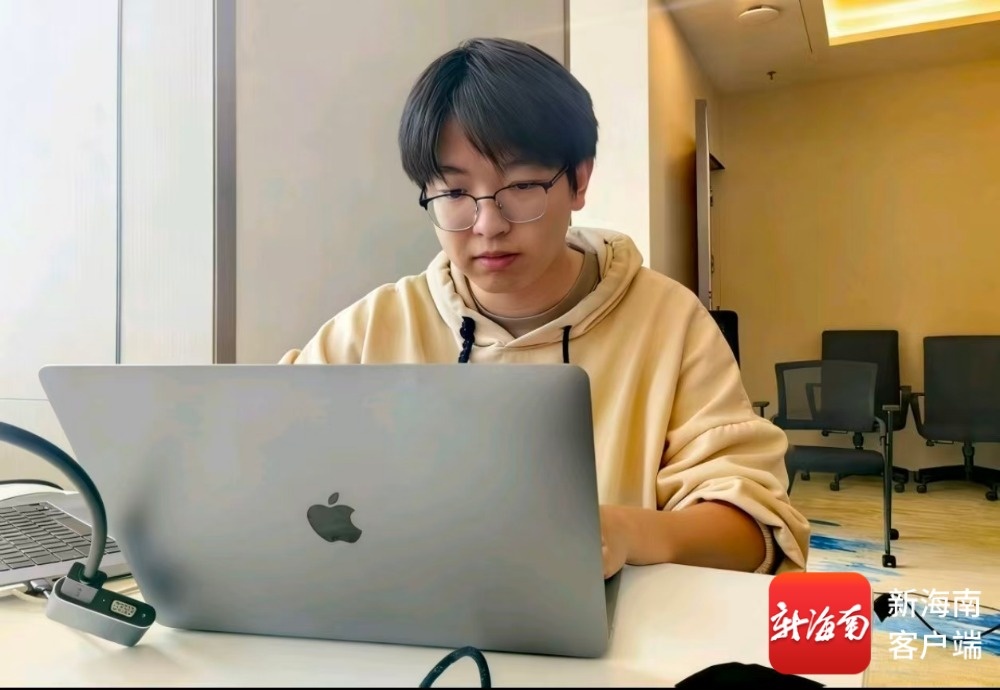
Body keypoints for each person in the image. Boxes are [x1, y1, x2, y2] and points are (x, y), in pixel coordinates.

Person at [281, 37, 810, 577]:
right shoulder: (376, 326)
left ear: (579, 180)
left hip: (613, 624)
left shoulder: (669, 322)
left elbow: (754, 530)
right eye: (455, 193)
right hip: (403, 614)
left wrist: (623, 533)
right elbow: (266, 452)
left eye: (521, 185)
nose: (488, 224)